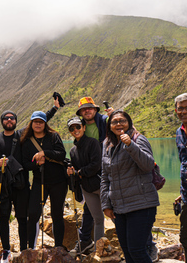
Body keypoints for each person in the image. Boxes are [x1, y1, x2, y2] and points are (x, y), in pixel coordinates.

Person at [0, 103, 60, 262]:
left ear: (15, 121)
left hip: (20, 183)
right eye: (6, 118)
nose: (9, 120)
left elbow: (39, 122)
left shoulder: (22, 135)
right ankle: (6, 250)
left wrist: (54, 109)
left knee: (22, 218)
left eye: (11, 118)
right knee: (4, 217)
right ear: (2, 121)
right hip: (2, 183)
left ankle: (23, 250)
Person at [101, 110, 159, 263]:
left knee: (137, 250)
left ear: (129, 123)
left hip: (142, 204)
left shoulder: (138, 139)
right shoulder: (107, 144)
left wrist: (130, 145)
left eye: (122, 121)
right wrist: (106, 204)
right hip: (120, 207)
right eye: (114, 122)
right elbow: (105, 177)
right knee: (127, 251)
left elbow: (148, 166)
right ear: (110, 126)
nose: (118, 124)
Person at [71, 96, 111, 256]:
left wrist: (114, 115)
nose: (87, 111)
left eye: (90, 108)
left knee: (114, 210)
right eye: (84, 109)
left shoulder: (105, 121)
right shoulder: (80, 128)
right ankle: (90, 244)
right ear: (81, 112)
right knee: (90, 211)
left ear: (95, 109)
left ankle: (141, 243)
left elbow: (125, 128)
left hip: (106, 170)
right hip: (91, 176)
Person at [21, 111, 67, 250]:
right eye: (36, 121)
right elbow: (25, 165)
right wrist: (37, 164)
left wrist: (45, 153)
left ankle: (58, 246)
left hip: (58, 181)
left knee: (57, 213)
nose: (38, 124)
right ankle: (31, 248)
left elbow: (61, 155)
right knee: (33, 213)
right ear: (31, 123)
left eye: (41, 122)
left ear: (45, 123)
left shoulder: (53, 136)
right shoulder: (27, 142)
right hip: (39, 182)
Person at [65, 117, 104, 250]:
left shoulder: (93, 143)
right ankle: (99, 248)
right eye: (72, 128)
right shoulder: (72, 151)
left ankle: (132, 244)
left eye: (78, 127)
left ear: (84, 127)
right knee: (98, 219)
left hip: (101, 186)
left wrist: (79, 172)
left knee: (115, 215)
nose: (75, 130)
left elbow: (96, 165)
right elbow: (77, 172)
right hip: (88, 189)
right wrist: (72, 172)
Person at [173, 93, 187, 262]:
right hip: (186, 194)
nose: (183, 111)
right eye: (180, 108)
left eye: (186, 107)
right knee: (185, 236)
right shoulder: (179, 132)